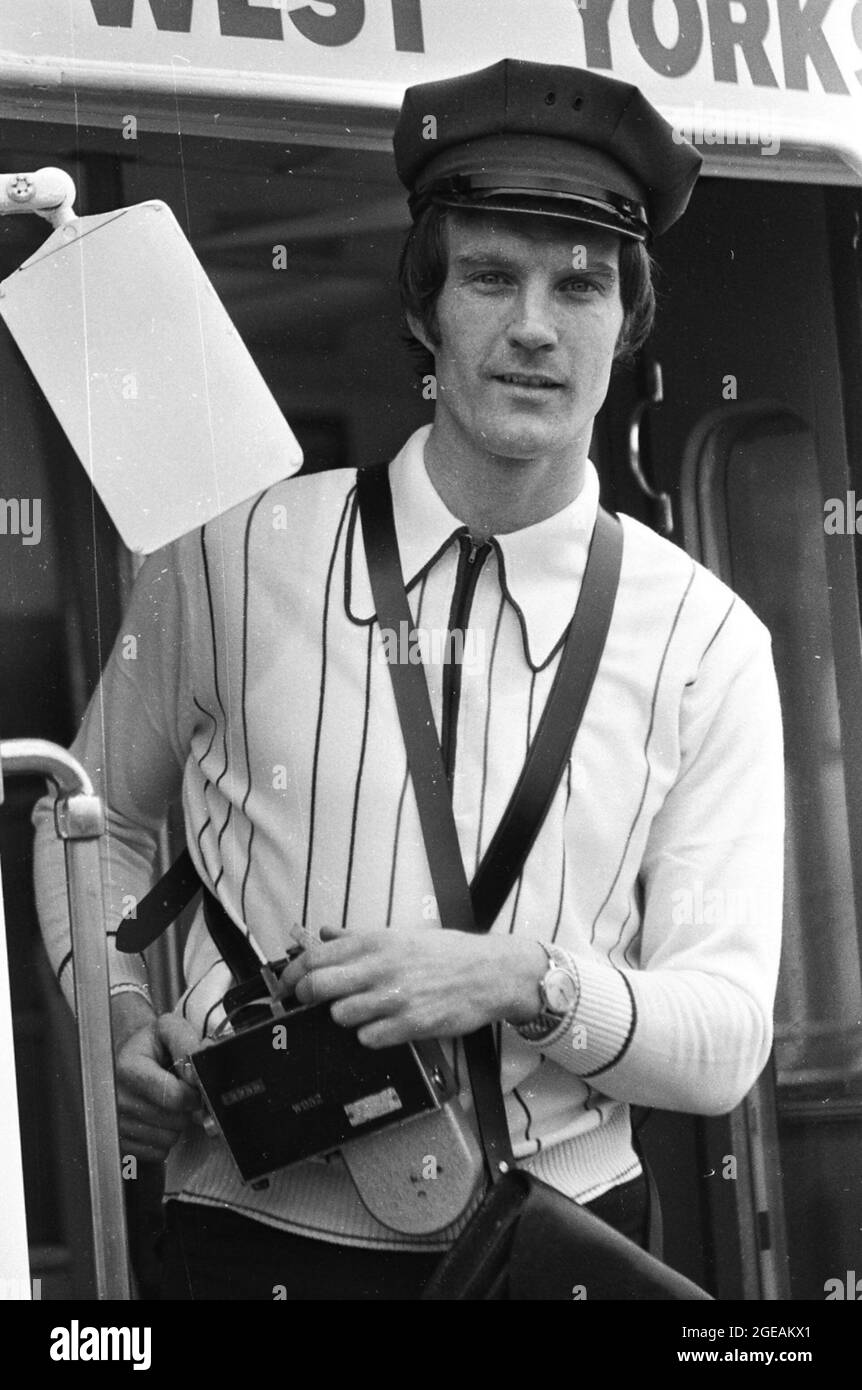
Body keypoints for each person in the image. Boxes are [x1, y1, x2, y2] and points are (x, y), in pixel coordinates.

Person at [32, 59, 784, 1301]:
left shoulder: (708, 640)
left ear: (627, 322)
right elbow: (89, 823)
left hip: (559, 1256)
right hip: (247, 1250)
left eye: (579, 285)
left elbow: (724, 1043)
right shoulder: (232, 556)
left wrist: (516, 977)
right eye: (490, 276)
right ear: (428, 310)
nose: (534, 324)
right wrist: (115, 1017)